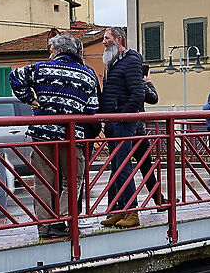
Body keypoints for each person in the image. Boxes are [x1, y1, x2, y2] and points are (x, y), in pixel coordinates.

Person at [10, 32, 101, 241]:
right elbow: (93, 108)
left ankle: (44, 227)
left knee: (42, 181)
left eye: (51, 51)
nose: (49, 55)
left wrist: (30, 99)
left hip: (42, 132)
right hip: (70, 135)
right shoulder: (88, 74)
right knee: (73, 180)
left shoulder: (41, 68)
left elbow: (14, 76)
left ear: (59, 51)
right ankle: (61, 221)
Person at [98, 26, 151, 231]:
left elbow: (138, 93)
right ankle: (120, 208)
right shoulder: (111, 62)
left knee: (123, 166)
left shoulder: (131, 59)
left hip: (122, 121)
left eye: (107, 38)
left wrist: (122, 116)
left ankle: (132, 211)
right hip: (112, 121)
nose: (103, 41)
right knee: (116, 168)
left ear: (118, 39)